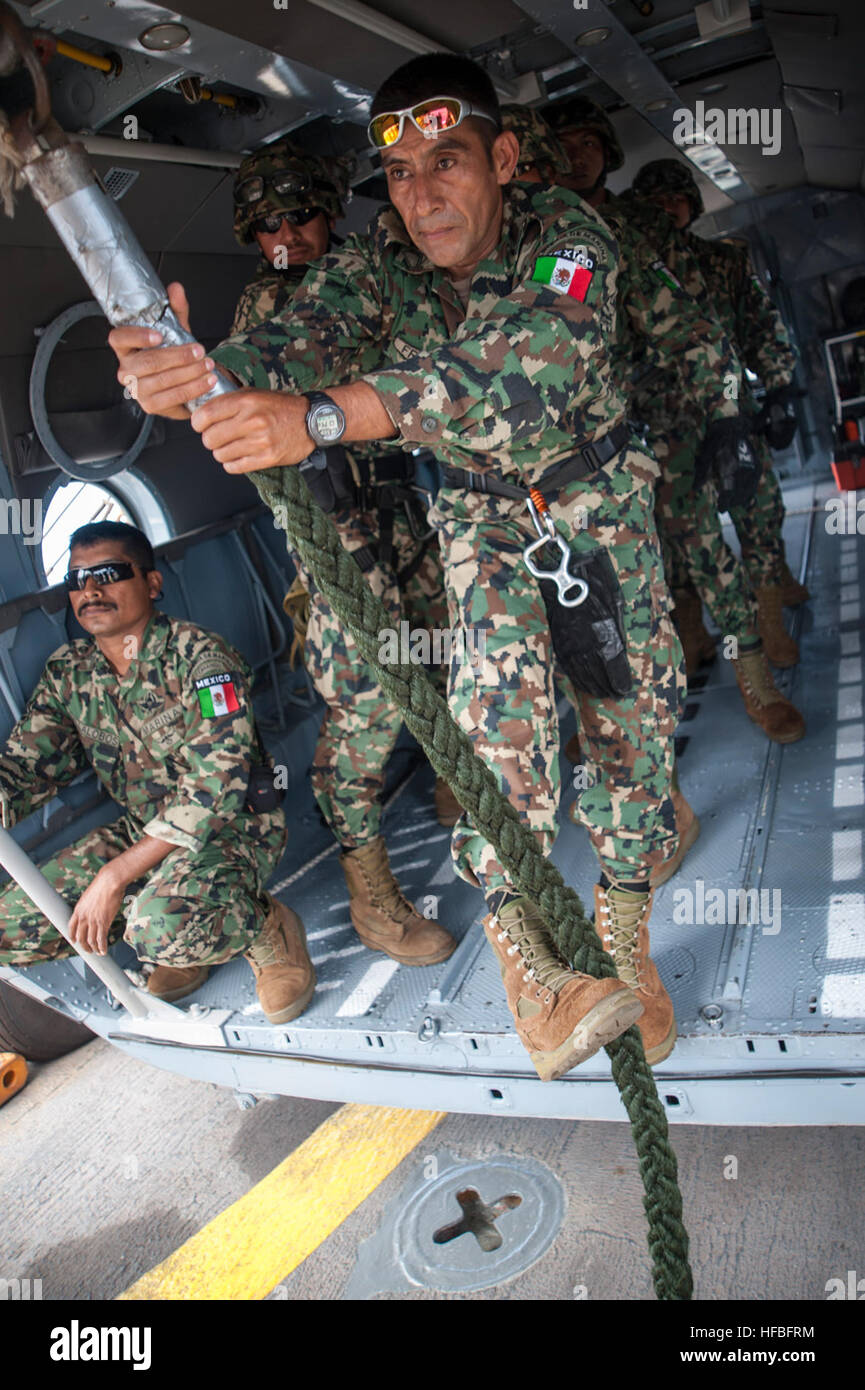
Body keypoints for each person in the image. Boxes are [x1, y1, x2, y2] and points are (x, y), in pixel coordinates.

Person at [107, 55, 693, 1078]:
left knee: (629, 738)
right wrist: (190, 372)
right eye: (403, 173)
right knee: (497, 747)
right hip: (481, 523)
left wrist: (323, 418)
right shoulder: (380, 265)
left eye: (448, 160)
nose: (423, 195)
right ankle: (536, 976)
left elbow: (525, 362)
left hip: (595, 514)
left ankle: (628, 948)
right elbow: (296, 340)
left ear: (503, 159)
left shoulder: (567, 239)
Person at [231, 137, 458, 967]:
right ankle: (374, 898)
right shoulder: (267, 311)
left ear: (330, 210)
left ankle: (449, 779)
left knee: (440, 653)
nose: (283, 234)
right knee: (364, 706)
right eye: (265, 224)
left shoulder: (369, 274)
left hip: (407, 506)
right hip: (338, 537)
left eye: (297, 214)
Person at [548, 100, 803, 742]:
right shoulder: (532, 231)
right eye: (563, 146)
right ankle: (608, 709)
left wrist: (729, 415)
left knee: (703, 548)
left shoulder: (635, 228)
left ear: (608, 152)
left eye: (588, 143)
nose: (576, 157)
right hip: (574, 445)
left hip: (664, 423)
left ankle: (754, 673)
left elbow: (691, 326)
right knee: (595, 578)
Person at [0, 521, 312, 1024]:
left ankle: (263, 925)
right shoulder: (70, 673)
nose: (91, 590)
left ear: (151, 584)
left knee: (155, 928)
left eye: (108, 573)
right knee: (7, 924)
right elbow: (29, 763)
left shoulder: (202, 659)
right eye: (77, 580)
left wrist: (117, 874)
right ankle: (182, 934)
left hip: (232, 830)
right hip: (141, 830)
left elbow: (218, 787)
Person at [632, 159, 807, 663]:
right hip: (667, 426)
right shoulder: (629, 271)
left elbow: (760, 326)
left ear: (692, 204)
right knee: (687, 539)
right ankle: (697, 634)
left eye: (675, 200)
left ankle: (771, 623)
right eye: (654, 204)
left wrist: (776, 389)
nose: (666, 210)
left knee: (761, 515)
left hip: (731, 411)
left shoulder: (723, 263)